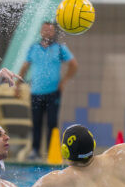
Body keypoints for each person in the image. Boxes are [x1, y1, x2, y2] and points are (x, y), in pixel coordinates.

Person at [16, 22, 78, 160]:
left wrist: (64, 80)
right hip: (36, 93)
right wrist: (17, 85)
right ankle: (35, 151)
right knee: (36, 123)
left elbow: (74, 64)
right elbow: (25, 67)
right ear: (41, 32)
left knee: (52, 123)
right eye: (45, 29)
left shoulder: (60, 49)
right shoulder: (33, 48)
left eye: (50, 30)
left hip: (53, 92)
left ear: (54, 32)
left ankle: (52, 151)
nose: (47, 32)